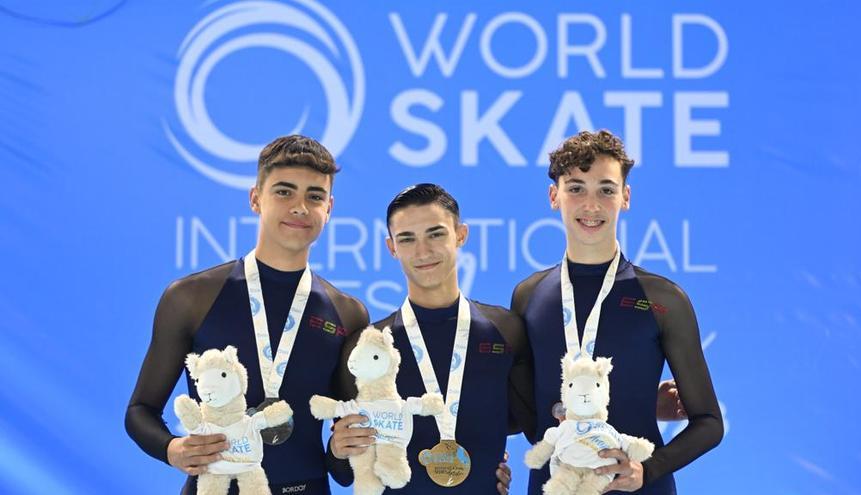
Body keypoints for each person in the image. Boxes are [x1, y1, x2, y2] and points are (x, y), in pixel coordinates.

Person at [125, 135, 370, 495]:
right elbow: (140, 410)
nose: (300, 207)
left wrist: (341, 449)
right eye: (284, 192)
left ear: (329, 207)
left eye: (314, 196)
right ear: (256, 198)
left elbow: (345, 471)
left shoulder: (348, 313)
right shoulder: (191, 298)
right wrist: (173, 449)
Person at [511, 130, 723, 494]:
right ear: (553, 196)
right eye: (576, 188)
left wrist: (649, 468)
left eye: (606, 189)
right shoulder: (529, 296)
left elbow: (708, 422)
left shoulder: (662, 299)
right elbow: (524, 414)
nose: (591, 205)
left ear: (625, 197)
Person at [327, 184, 534, 494]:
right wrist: (337, 448)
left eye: (435, 234)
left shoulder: (506, 331)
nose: (422, 251)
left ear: (461, 235)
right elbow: (343, 472)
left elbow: (530, 425)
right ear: (391, 247)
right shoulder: (369, 348)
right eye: (407, 239)